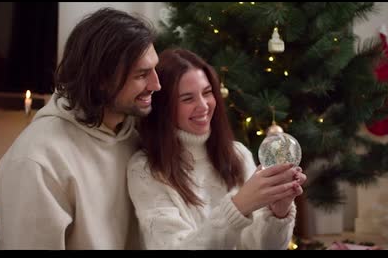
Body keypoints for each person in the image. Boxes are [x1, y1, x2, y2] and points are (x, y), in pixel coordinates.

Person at [0, 7, 161, 249]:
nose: (156, 84)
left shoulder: (134, 139)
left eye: (154, 69)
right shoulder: (36, 161)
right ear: (101, 79)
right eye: (142, 74)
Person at [127, 48, 307, 249]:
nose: (203, 106)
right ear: (164, 108)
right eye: (188, 99)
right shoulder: (145, 169)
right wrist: (238, 207)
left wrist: (278, 211)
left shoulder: (238, 154)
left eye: (207, 92)